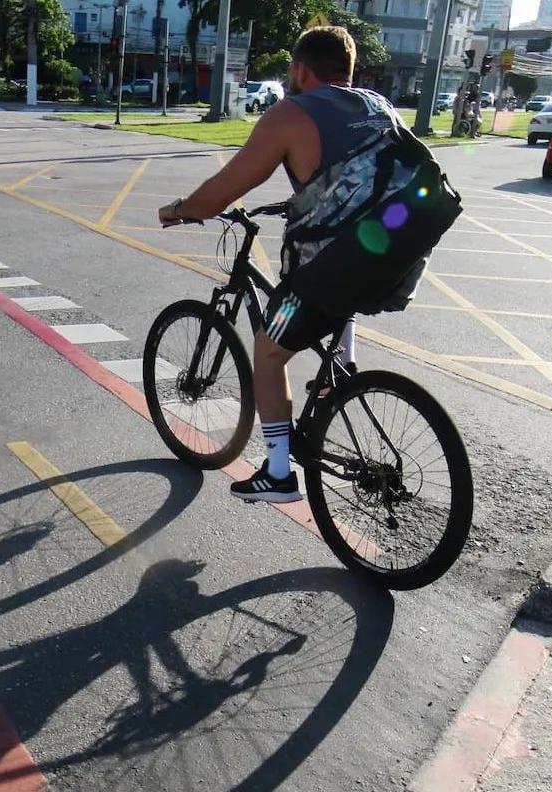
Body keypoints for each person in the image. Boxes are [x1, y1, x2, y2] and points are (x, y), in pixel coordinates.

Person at [157, 25, 403, 504]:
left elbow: (222, 192)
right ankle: (342, 368)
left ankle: (277, 473)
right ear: (349, 70)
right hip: (390, 260)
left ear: (299, 69)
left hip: (326, 274)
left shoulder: (292, 113)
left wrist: (181, 209)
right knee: (340, 291)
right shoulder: (380, 107)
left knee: (269, 350)